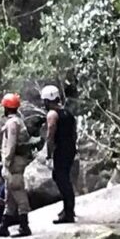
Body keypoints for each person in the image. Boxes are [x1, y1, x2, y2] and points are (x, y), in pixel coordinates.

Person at [0, 93, 32, 237]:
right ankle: (4, 226)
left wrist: (7, 162)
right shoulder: (18, 121)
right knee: (9, 196)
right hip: (16, 161)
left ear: (6, 108)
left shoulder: (12, 123)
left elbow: (11, 144)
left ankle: (24, 226)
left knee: (18, 191)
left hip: (14, 163)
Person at [41, 85, 77, 223]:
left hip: (61, 150)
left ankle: (68, 212)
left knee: (62, 180)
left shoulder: (52, 114)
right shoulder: (68, 113)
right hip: (69, 149)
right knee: (63, 178)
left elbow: (51, 134)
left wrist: (49, 152)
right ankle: (68, 208)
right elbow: (74, 133)